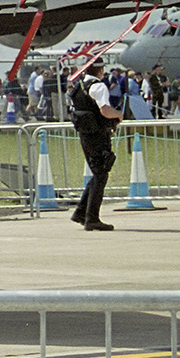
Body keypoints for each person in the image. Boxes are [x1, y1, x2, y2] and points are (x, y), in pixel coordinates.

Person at [70, 60, 122, 231]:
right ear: (100, 71)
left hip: (85, 135)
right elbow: (105, 110)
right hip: (98, 135)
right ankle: (91, 218)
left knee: (98, 173)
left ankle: (80, 212)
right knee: (101, 174)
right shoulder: (98, 86)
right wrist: (118, 115)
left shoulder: (79, 87)